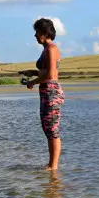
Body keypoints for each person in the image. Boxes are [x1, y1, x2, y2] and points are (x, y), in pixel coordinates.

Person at [22, 18, 64, 170]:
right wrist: (32, 73)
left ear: (45, 33)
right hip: (47, 92)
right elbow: (45, 71)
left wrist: (32, 82)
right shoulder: (46, 49)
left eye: (37, 32)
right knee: (48, 128)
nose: (35, 36)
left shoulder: (52, 49)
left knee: (52, 129)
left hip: (51, 92)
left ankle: (53, 166)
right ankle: (51, 164)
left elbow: (51, 75)